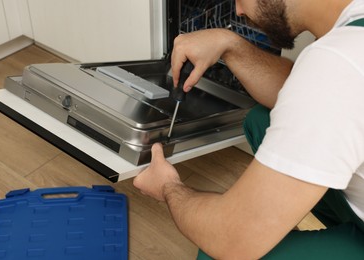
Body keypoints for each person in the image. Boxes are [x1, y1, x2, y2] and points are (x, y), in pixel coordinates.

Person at [133, 0, 364, 259]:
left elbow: (229, 240)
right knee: (261, 122)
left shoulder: (337, 64)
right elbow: (305, 93)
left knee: (216, 250)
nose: (238, 11)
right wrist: (228, 43)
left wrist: (168, 187)